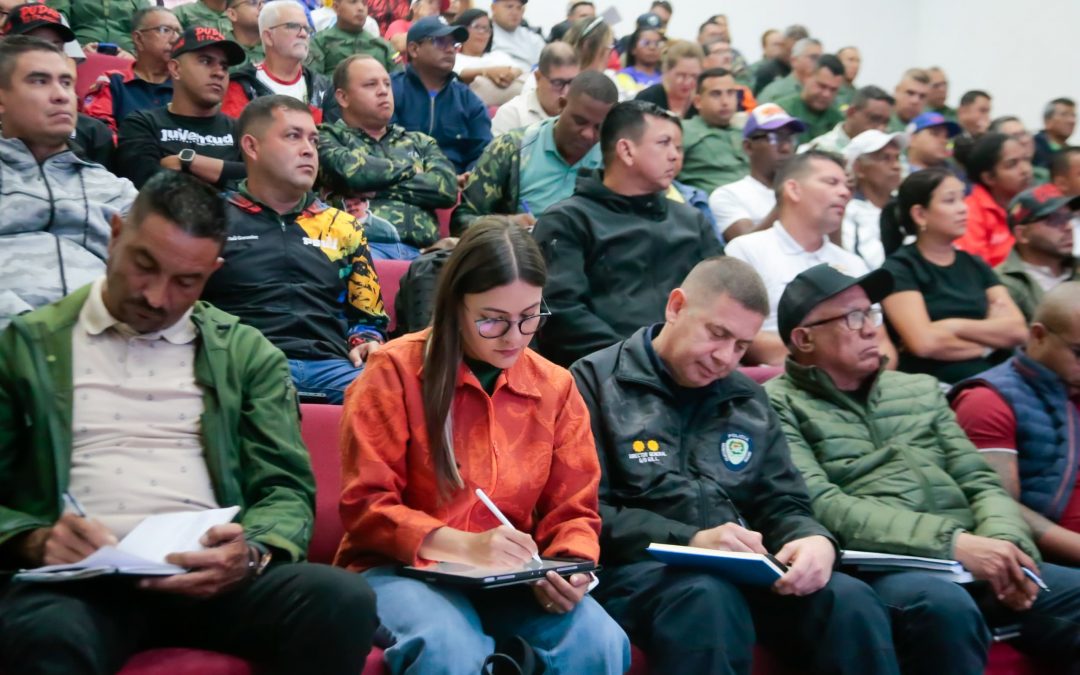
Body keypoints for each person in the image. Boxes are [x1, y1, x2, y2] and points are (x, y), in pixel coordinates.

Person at [0, 170, 378, 675]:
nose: (157, 298)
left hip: (209, 576)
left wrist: (251, 553)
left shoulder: (245, 354)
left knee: (340, 599)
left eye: (185, 282)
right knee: (44, 633)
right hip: (79, 584)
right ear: (115, 236)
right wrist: (33, 539)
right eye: (143, 266)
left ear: (212, 272)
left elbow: (286, 489)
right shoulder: (29, 346)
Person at [573, 257, 900, 675]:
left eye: (741, 346)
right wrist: (691, 539)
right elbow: (585, 512)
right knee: (706, 597)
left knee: (848, 598)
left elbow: (783, 502)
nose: (725, 357)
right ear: (676, 307)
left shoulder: (746, 397)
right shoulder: (594, 382)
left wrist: (814, 540)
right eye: (717, 334)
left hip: (745, 570)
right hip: (640, 573)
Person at [334, 217, 631, 675]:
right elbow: (367, 506)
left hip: (510, 577)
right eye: (492, 320)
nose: (514, 337)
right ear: (455, 306)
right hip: (397, 569)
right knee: (449, 648)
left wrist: (571, 568)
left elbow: (574, 508)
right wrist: (465, 546)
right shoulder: (393, 371)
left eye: (530, 317)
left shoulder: (554, 385)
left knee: (600, 641)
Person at [767, 263, 1080, 675]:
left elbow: (980, 480)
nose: (871, 329)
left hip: (974, 556)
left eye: (872, 314)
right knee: (941, 606)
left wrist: (1005, 545)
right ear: (803, 338)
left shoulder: (916, 388)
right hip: (883, 565)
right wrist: (954, 544)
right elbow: (825, 505)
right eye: (852, 318)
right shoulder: (776, 404)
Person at [201, 95, 387, 403]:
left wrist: (367, 339)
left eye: (313, 140)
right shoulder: (210, 218)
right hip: (243, 363)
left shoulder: (343, 225)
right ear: (251, 146)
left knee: (399, 398)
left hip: (333, 366)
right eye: (292, 136)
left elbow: (368, 316)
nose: (308, 150)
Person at [533, 100, 723, 367]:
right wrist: (639, 361)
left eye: (678, 147)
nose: (675, 156)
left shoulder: (692, 221)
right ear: (626, 150)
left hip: (694, 367)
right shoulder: (567, 221)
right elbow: (561, 313)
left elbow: (723, 296)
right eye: (664, 143)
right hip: (604, 374)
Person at [0, 36, 137, 327]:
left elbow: (155, 276)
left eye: (65, 82)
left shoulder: (115, 190)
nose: (62, 95)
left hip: (107, 348)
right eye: (39, 81)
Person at [724, 151, 897, 366]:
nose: (844, 192)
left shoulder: (853, 263)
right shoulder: (747, 250)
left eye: (846, 185)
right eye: (831, 182)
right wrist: (840, 362)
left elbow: (884, 346)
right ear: (794, 189)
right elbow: (744, 339)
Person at [950, 283, 1080, 562]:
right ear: (1039, 335)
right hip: (1048, 562)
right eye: (1079, 353)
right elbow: (1000, 509)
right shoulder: (987, 399)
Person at [880, 168, 1028, 383]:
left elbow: (1017, 330)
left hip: (1000, 373)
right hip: (940, 383)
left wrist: (952, 326)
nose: (963, 209)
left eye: (963, 199)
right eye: (950, 201)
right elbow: (924, 343)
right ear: (920, 214)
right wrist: (990, 341)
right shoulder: (899, 269)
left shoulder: (974, 263)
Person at [318, 55, 457, 257]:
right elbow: (349, 172)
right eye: (370, 85)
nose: (383, 91)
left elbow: (447, 189)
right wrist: (412, 171)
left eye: (387, 84)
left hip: (425, 252)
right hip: (358, 248)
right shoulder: (325, 136)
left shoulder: (420, 142)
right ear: (343, 97)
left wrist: (372, 185)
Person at [455, 70, 616, 233]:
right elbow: (462, 221)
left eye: (599, 127)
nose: (588, 134)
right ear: (561, 105)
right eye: (579, 121)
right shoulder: (512, 149)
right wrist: (506, 224)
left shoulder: (613, 161)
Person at [116, 27, 247, 189]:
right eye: (206, 61)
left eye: (224, 66)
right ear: (176, 69)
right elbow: (148, 186)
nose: (219, 73)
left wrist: (188, 161)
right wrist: (226, 172)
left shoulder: (239, 129)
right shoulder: (142, 124)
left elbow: (263, 177)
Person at [391, 15, 490, 175]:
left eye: (453, 43)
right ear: (414, 49)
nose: (450, 49)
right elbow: (382, 144)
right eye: (440, 42)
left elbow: (483, 151)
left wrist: (470, 175)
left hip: (457, 186)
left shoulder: (468, 100)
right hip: (402, 182)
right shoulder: (389, 90)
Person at [221, 0, 335, 122]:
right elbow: (239, 137)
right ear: (268, 37)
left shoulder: (323, 87)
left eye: (307, 29)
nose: (303, 34)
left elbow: (335, 137)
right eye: (293, 26)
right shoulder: (243, 85)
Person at [708, 103, 805, 241]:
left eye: (790, 138)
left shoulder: (805, 192)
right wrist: (785, 202)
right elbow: (743, 245)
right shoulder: (728, 195)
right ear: (748, 147)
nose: (786, 148)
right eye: (775, 138)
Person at [82, 6, 179, 135]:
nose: (175, 39)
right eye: (165, 30)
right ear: (138, 39)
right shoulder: (112, 82)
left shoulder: (187, 85)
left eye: (179, 32)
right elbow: (99, 134)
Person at [993, 185, 1080, 321]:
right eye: (1055, 219)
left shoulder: (1076, 268)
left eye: (1069, 217)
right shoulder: (1001, 284)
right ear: (1022, 234)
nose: (1068, 227)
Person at [956, 132, 1034, 266]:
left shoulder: (1035, 203)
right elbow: (978, 271)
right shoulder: (969, 213)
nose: (1025, 170)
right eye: (1012, 164)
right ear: (989, 178)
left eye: (1026, 160)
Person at [676, 67, 748, 194]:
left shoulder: (746, 133)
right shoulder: (682, 131)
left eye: (730, 93)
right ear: (698, 101)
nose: (725, 101)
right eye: (716, 94)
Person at [841, 130, 905, 269]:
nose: (896, 166)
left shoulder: (906, 206)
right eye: (885, 158)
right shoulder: (848, 211)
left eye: (897, 158)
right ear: (858, 168)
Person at [490, 40, 576, 137]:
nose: (566, 91)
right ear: (538, 77)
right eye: (557, 83)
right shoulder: (512, 115)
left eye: (572, 82)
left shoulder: (583, 115)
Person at [447, 8, 520, 107]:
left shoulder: (498, 55)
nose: (482, 32)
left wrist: (510, 75)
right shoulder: (455, 57)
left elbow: (518, 70)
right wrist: (488, 72)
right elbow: (460, 75)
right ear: (462, 30)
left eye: (486, 29)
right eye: (477, 27)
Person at [308, 0, 399, 78]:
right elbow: (313, 82)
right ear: (336, 7)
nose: (361, 8)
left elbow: (399, 82)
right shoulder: (319, 42)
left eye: (364, 3)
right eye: (353, 2)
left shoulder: (384, 47)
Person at [798, 84, 893, 154]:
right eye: (875, 119)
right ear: (851, 112)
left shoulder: (888, 153)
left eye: (886, 122)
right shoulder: (821, 149)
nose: (881, 129)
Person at [773, 54, 844, 145]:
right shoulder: (781, 111)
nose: (826, 94)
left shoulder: (837, 121)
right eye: (822, 86)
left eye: (833, 90)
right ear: (807, 77)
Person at [634, 40, 702, 119]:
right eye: (681, 75)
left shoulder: (702, 103)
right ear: (667, 71)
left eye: (694, 76)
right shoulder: (647, 98)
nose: (687, 82)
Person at [46, 0, 144, 53]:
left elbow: (150, 28)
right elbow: (56, 20)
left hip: (130, 56)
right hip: (80, 53)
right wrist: (77, 50)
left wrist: (134, 54)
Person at [756, 37, 821, 105]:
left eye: (821, 59)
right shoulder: (775, 93)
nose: (819, 63)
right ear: (794, 61)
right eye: (813, 57)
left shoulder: (825, 93)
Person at [613, 12, 663, 99]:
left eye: (657, 43)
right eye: (646, 43)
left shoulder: (666, 77)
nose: (652, 47)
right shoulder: (623, 76)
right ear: (633, 49)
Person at [489, 0, 543, 72]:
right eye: (509, 6)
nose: (515, 12)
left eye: (519, 8)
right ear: (494, 8)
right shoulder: (483, 36)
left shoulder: (533, 38)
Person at [753, 24, 807, 94]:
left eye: (799, 54)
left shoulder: (811, 74)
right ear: (783, 45)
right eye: (791, 51)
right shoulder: (767, 72)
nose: (794, 58)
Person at [904, 110, 962, 174]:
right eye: (935, 134)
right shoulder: (897, 172)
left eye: (947, 136)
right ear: (912, 139)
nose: (944, 141)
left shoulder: (957, 174)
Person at [1034, 97, 1076, 170]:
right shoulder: (1033, 148)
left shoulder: (1072, 153)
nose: (1071, 121)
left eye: (1073, 115)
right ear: (1047, 121)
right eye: (1064, 115)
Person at [887, 67, 929, 133]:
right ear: (896, 91)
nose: (915, 101)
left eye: (922, 96)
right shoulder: (880, 121)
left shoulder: (928, 130)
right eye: (910, 93)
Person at [225, 0, 264, 69]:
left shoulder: (277, 47)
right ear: (232, 14)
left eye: (262, 3)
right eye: (253, 2)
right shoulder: (219, 50)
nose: (262, 7)